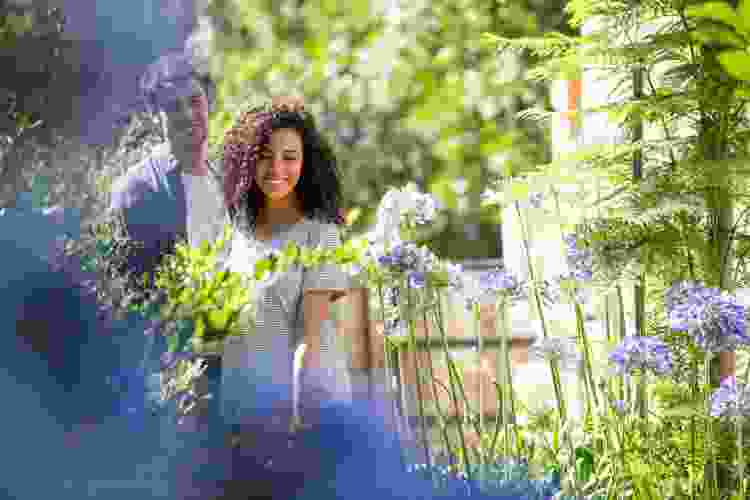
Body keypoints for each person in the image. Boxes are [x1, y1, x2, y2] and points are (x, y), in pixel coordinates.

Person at [184, 86, 354, 440]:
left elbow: (310, 341)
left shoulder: (319, 234)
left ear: (306, 163)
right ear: (247, 160)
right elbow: (211, 333)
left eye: (290, 156)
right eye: (264, 155)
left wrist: (296, 423)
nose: (277, 167)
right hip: (243, 418)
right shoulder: (230, 232)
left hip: (307, 416)